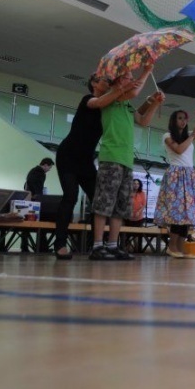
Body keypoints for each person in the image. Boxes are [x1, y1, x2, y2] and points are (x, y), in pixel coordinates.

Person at [52, 73, 132, 260]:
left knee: (99, 202)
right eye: (105, 81)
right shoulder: (88, 99)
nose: (109, 83)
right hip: (68, 157)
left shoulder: (110, 105)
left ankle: (96, 245)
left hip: (86, 161)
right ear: (94, 84)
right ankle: (60, 244)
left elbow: (123, 101)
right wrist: (119, 88)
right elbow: (97, 103)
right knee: (70, 197)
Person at [89, 68, 164, 260]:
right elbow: (134, 91)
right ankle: (97, 245)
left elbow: (143, 121)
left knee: (121, 205)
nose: (133, 82)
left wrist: (154, 103)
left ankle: (113, 245)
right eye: (128, 79)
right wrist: (147, 71)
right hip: (111, 157)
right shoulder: (110, 99)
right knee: (104, 202)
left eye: (132, 79)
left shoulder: (127, 105)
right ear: (118, 82)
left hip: (126, 160)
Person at [155, 109, 195, 259]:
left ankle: (181, 248)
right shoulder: (168, 136)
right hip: (176, 176)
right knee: (177, 213)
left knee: (187, 214)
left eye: (185, 118)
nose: (183, 121)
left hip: (189, 175)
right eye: (179, 118)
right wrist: (192, 134)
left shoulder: (188, 135)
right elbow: (178, 149)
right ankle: (172, 247)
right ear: (173, 120)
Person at [21, 157, 54, 252]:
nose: (49, 170)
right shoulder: (40, 172)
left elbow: (28, 183)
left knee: (26, 225)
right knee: (42, 223)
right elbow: (36, 186)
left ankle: (25, 247)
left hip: (29, 200)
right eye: (50, 167)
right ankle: (42, 248)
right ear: (46, 165)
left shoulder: (33, 171)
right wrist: (38, 196)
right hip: (34, 201)